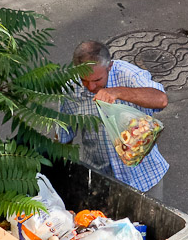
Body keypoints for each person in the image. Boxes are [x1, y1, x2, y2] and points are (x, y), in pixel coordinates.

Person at [58, 40, 169, 200]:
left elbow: (161, 100)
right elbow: (63, 136)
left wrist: (118, 92)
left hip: (143, 177)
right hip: (101, 182)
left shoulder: (128, 74)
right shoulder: (71, 89)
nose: (90, 87)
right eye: (84, 80)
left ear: (109, 66)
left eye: (97, 80)